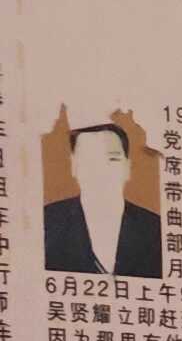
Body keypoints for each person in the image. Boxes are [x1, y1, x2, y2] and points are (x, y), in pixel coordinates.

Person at [43, 118, 160, 279]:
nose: (100, 171)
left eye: (112, 159)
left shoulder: (155, 229)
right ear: (74, 166)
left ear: (127, 168)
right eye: (89, 160)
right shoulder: (47, 222)